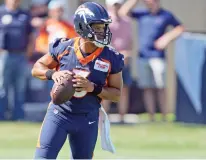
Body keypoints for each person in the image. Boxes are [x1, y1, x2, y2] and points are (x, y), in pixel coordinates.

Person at [32, 2, 124, 159]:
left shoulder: (111, 57)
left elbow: (116, 94)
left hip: (87, 117)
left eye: (103, 27)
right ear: (83, 26)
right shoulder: (64, 48)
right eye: (97, 27)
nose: (102, 32)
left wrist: (93, 88)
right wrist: (52, 74)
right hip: (59, 114)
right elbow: (36, 68)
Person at [119, 0, 184, 121]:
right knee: (147, 87)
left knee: (160, 87)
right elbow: (123, 12)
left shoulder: (165, 15)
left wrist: (167, 38)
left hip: (158, 57)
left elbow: (180, 28)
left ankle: (165, 117)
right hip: (143, 57)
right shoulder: (142, 14)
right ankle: (151, 117)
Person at [0, 0, 34, 120]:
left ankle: (18, 116)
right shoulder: (1, 12)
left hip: (21, 55)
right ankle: (2, 115)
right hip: (5, 54)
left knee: (19, 87)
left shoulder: (24, 15)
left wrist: (29, 52)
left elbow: (30, 35)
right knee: (2, 86)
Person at [103, 0, 133, 123]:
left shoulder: (127, 21)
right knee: (106, 88)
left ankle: (122, 117)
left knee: (124, 88)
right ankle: (105, 117)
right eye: (114, 5)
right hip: (109, 60)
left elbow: (130, 41)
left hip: (123, 60)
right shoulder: (105, 22)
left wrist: (128, 54)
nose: (116, 8)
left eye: (118, 5)